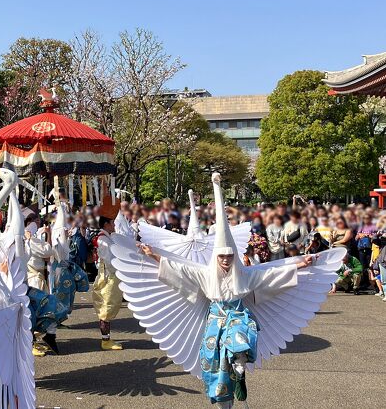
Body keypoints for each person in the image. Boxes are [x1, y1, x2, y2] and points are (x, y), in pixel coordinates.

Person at [124, 173, 339, 408]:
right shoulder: (204, 274)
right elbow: (177, 268)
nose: (226, 260)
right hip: (215, 320)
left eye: (229, 256)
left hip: (238, 318)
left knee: (239, 351)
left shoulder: (245, 274)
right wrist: (152, 255)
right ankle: (224, 400)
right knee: (215, 365)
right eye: (222, 256)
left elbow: (273, 274)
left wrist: (300, 264)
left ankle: (240, 378)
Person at [92, 194, 124, 351]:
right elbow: (110, 260)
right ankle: (105, 340)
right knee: (106, 306)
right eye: (112, 222)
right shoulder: (103, 239)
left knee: (109, 306)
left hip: (111, 275)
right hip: (108, 276)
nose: (114, 225)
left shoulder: (107, 237)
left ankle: (107, 338)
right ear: (106, 224)